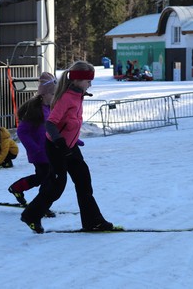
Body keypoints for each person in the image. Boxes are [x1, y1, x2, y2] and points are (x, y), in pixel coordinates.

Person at [21, 60, 114, 233]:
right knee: (56, 186)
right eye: (88, 81)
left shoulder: (78, 96)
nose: (90, 85)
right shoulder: (66, 98)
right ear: (77, 80)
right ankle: (31, 215)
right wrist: (60, 142)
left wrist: (73, 139)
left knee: (84, 181)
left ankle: (92, 221)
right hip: (57, 148)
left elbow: (70, 123)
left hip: (70, 147)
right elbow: (51, 124)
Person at [8, 72, 57, 217]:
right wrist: (34, 148)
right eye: (53, 94)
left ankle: (17, 188)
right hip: (39, 154)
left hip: (49, 152)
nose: (55, 97)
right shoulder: (36, 111)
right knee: (46, 179)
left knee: (44, 178)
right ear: (45, 94)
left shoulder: (50, 109)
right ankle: (40, 206)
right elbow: (22, 132)